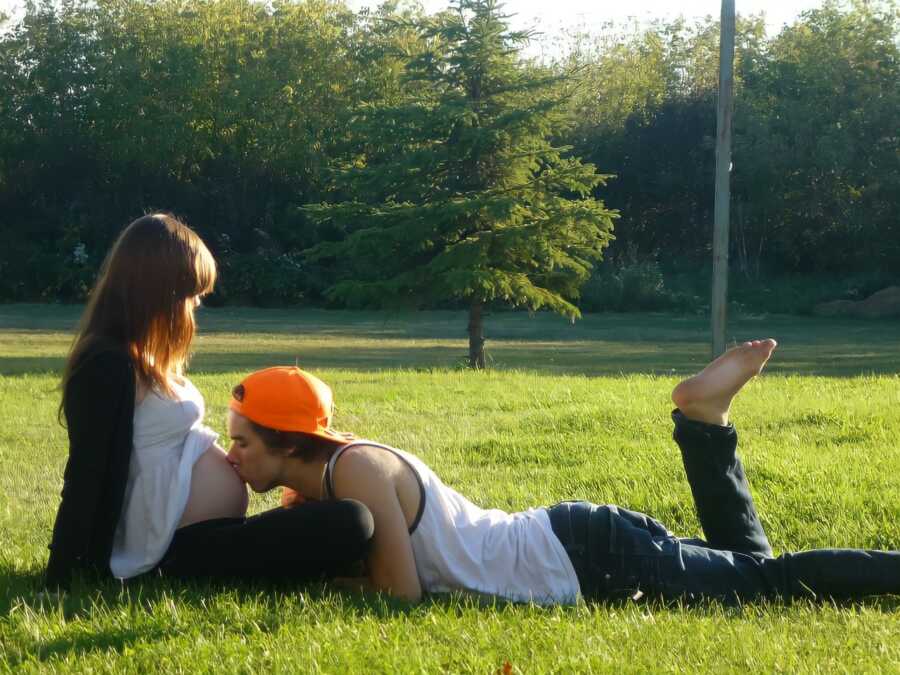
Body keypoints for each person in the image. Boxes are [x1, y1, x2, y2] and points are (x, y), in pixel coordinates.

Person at [225, 340, 900, 604]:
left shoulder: (361, 471)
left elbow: (401, 592)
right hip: (578, 546)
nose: (233, 456)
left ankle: (703, 422)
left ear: (289, 440)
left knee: (772, 583)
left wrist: (333, 584)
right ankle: (704, 423)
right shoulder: (323, 479)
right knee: (756, 570)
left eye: (244, 442)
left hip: (585, 558)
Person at [46, 213, 372, 589]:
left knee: (345, 515)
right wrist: (63, 574)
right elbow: (87, 472)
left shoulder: (145, 359)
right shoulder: (106, 363)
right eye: (191, 294)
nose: (196, 305)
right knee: (350, 521)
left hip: (205, 534)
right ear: (157, 290)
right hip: (172, 550)